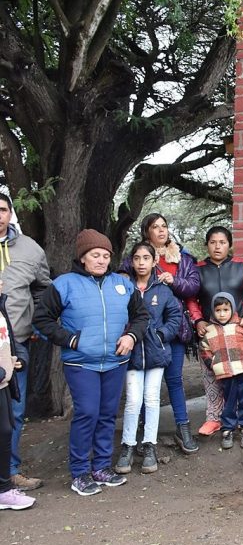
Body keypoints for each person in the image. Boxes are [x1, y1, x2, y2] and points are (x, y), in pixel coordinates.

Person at [33, 229, 149, 496]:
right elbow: (42, 320)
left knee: (108, 415)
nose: (101, 260)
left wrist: (131, 336)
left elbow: (142, 316)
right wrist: (71, 340)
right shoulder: (64, 284)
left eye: (106, 256)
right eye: (95, 255)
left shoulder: (122, 284)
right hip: (80, 363)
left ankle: (101, 467)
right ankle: (80, 472)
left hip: (115, 362)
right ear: (83, 258)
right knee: (87, 413)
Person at [124, 213, 200, 453]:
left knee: (174, 380)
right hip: (142, 333)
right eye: (155, 227)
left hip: (173, 328)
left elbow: (194, 286)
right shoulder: (136, 258)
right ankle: (144, 433)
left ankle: (183, 428)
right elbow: (124, 284)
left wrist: (174, 281)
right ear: (146, 231)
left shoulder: (182, 257)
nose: (161, 230)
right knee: (146, 384)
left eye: (164, 226)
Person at [187, 226, 243, 436]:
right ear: (207, 245)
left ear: (229, 245)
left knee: (239, 377)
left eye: (222, 242)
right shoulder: (197, 268)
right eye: (212, 242)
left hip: (237, 332)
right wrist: (198, 320)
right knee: (212, 375)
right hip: (210, 331)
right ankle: (214, 419)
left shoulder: (241, 266)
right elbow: (191, 298)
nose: (217, 246)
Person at [116, 243, 181, 475]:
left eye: (146, 258)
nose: (141, 262)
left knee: (152, 399)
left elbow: (175, 315)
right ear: (131, 262)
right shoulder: (123, 287)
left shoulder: (163, 290)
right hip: (131, 354)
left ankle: (149, 444)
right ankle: (128, 446)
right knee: (133, 400)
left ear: (155, 261)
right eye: (137, 258)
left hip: (156, 352)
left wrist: (162, 335)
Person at [0, 195, 51, 492]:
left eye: (3, 209)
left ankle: (10, 472)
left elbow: (42, 289)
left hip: (14, 343)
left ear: (11, 213)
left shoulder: (30, 249)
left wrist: (35, 324)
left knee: (14, 411)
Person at [200, 293, 243, 450]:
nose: (222, 314)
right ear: (213, 311)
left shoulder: (241, 327)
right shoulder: (210, 331)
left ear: (232, 309)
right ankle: (227, 428)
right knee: (229, 400)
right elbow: (205, 350)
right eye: (218, 310)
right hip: (225, 372)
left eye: (225, 309)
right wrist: (213, 364)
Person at [0, 282, 34, 510]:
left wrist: (19, 357)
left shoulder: (2, 307)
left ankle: (3, 489)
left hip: (3, 383)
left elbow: (9, 339)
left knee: (5, 430)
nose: (2, 283)